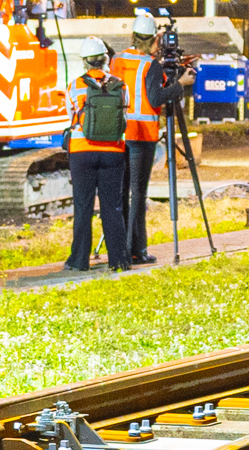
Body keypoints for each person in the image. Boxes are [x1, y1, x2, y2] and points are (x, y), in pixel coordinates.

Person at [64, 46, 135, 269]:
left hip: (82, 151)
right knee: (113, 207)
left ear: (85, 61)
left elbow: (71, 116)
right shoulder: (121, 85)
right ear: (105, 59)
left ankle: (79, 260)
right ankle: (119, 259)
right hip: (113, 151)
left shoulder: (75, 85)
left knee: (83, 206)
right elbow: (125, 112)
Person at [119, 25, 181, 264]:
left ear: (133, 36)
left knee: (124, 193)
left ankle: (120, 247)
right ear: (156, 38)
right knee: (139, 194)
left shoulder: (117, 60)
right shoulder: (151, 65)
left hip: (121, 134)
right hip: (142, 135)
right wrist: (178, 84)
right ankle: (136, 250)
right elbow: (155, 98)